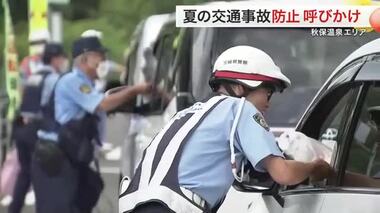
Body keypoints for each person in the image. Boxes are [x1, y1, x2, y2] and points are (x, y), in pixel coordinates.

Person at [118, 46, 332, 213]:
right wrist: (314, 168)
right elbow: (283, 173)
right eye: (267, 92)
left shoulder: (190, 113)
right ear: (240, 88)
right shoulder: (240, 108)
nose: (268, 103)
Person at [32, 36, 152, 213]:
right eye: (100, 56)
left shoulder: (87, 84)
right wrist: (135, 90)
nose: (103, 61)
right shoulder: (73, 81)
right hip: (55, 158)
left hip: (70, 156)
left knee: (85, 195)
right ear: (85, 58)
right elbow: (101, 104)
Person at [10, 43, 68, 213]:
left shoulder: (33, 77)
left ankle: (13, 209)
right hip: (37, 131)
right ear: (55, 59)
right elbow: (50, 107)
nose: (64, 62)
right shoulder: (53, 79)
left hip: (21, 128)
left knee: (24, 174)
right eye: (62, 58)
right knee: (41, 178)